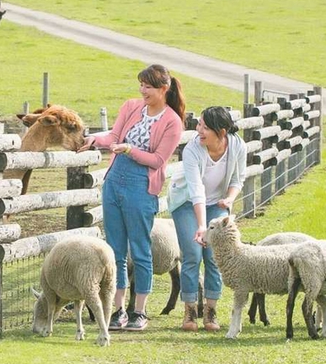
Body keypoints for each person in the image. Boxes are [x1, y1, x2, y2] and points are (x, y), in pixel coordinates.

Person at [78, 64, 185, 331]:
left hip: (141, 187)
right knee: (115, 249)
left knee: (140, 250)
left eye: (147, 86)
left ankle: (140, 311)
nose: (142, 90)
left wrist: (130, 150)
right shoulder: (130, 107)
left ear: (163, 89)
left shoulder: (172, 122)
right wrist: (95, 140)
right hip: (114, 182)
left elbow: (158, 160)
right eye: (141, 85)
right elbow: (113, 136)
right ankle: (118, 309)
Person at [168, 106, 246, 332]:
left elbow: (238, 179)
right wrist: (201, 227)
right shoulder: (193, 148)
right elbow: (195, 190)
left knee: (214, 255)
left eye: (204, 127)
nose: (198, 130)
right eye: (199, 124)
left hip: (218, 203)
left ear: (221, 132)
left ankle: (211, 313)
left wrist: (229, 200)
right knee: (192, 254)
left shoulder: (237, 146)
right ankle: (190, 312)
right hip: (186, 203)